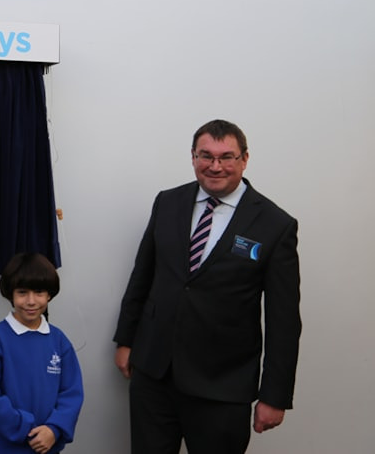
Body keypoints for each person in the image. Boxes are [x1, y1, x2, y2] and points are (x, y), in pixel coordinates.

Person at [113, 119, 301, 454]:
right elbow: (142, 276)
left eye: (226, 157)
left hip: (223, 387)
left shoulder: (275, 225)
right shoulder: (167, 203)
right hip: (154, 375)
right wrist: (126, 340)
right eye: (206, 156)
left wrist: (274, 396)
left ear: (244, 159)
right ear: (193, 157)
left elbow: (283, 321)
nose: (215, 166)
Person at [0, 252, 83, 454]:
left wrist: (54, 429)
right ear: (10, 294)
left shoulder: (59, 341)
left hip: (48, 446)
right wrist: (25, 428)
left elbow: (72, 392)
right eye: (22, 292)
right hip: (5, 448)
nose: (31, 301)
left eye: (39, 292)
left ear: (49, 294)